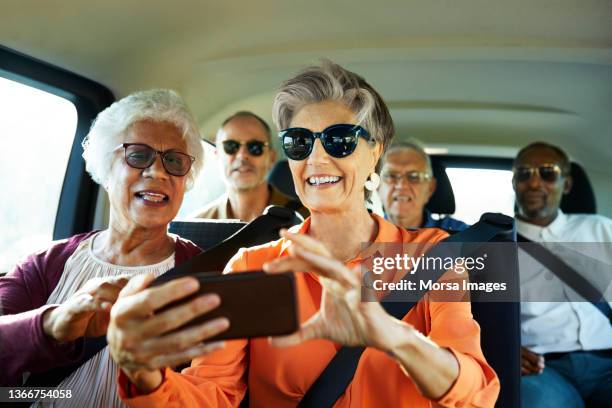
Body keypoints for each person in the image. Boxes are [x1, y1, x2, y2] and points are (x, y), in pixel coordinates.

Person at [109, 61, 499, 407]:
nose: (315, 157)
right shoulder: (252, 265)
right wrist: (145, 378)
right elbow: (213, 394)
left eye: (340, 140)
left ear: (374, 153)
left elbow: (476, 395)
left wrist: (395, 337)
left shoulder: (435, 256)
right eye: (299, 142)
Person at [0, 89, 209, 407]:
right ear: (105, 168)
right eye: (138, 155)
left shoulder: (208, 272)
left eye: (174, 161)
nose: (157, 172)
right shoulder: (44, 265)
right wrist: (53, 325)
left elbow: (212, 391)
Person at [514, 142, 612, 408]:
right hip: (543, 369)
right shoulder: (496, 244)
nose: (534, 182)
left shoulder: (601, 229)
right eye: (524, 173)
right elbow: (479, 316)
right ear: (514, 183)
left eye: (547, 172)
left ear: (566, 184)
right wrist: (503, 347)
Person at [191, 111, 307, 221]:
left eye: (255, 147)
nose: (242, 155)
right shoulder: (195, 229)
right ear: (217, 156)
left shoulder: (306, 220)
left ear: (271, 158)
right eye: (231, 146)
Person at [378, 140, 469, 232]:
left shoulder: (460, 235)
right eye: (391, 175)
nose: (402, 185)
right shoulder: (366, 234)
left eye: (414, 176)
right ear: (378, 187)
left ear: (430, 188)